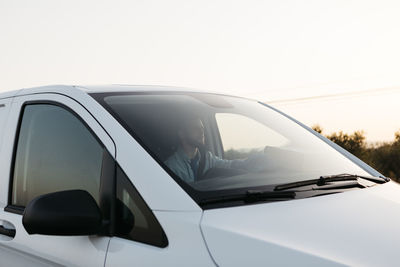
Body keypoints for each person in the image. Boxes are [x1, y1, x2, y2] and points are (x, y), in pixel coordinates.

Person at [164, 114, 259, 183]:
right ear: (182, 134)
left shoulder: (208, 158)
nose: (201, 132)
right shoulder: (171, 167)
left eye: (202, 128)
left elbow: (232, 165)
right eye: (195, 128)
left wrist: (259, 160)